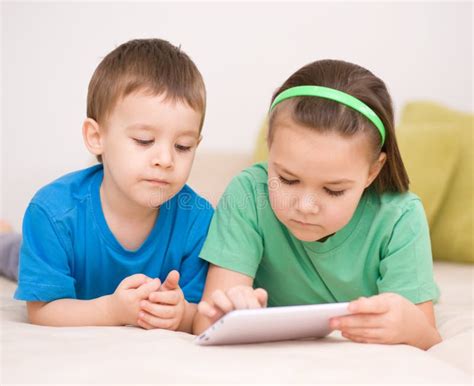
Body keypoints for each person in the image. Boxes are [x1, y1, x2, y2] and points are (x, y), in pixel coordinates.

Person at [193, 59, 442, 350]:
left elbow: (428, 335)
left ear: (373, 171)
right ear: (270, 148)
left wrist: (409, 326)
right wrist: (224, 314)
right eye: (287, 179)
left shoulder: (400, 215)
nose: (306, 206)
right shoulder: (248, 194)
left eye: (333, 190)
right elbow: (205, 322)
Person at [13, 38, 213, 332]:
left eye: (183, 146)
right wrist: (111, 310)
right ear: (96, 137)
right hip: (44, 246)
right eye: (144, 141)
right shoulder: (52, 213)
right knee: (11, 255)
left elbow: (199, 311)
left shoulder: (198, 219)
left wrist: (181, 314)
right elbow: (42, 310)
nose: (166, 159)